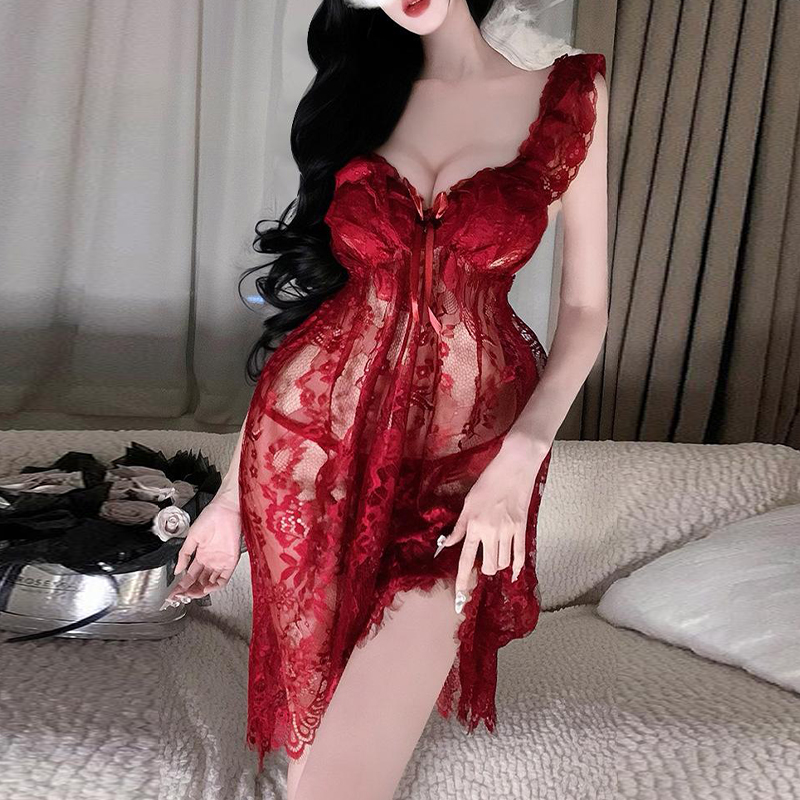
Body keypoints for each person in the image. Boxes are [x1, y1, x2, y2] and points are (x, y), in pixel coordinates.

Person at [164, 1, 609, 798]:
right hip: (310, 457)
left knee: (349, 767)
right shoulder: (359, 99)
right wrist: (229, 503)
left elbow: (585, 311)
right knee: (319, 764)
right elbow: (314, 321)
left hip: (473, 468)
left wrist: (521, 459)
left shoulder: (569, 94)